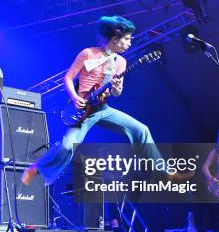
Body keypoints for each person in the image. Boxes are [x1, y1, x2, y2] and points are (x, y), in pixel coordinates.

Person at [21, 15, 162, 187]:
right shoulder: (88, 53)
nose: (130, 42)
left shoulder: (121, 62)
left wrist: (116, 87)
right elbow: (68, 78)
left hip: (103, 108)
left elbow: (117, 93)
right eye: (126, 39)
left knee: (141, 129)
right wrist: (75, 98)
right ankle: (37, 168)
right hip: (83, 111)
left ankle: (160, 170)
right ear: (114, 39)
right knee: (67, 147)